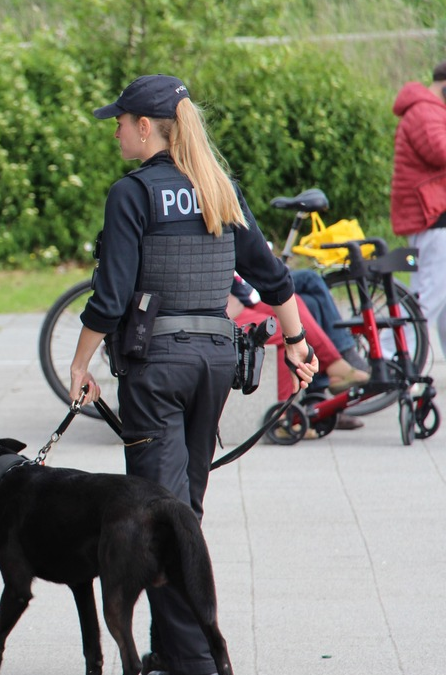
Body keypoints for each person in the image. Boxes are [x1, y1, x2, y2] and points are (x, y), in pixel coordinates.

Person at [67, 74, 318, 675]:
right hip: (213, 364)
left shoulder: (132, 194)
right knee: (184, 514)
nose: (118, 131)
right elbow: (272, 275)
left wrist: (80, 362)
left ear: (147, 127)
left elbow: (111, 294)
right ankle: (179, 650)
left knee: (158, 516)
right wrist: (297, 343)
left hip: (157, 368)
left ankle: (195, 663)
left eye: (122, 122)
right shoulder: (216, 187)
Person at [228, 275, 369, 432]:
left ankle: (328, 374)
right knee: (285, 329)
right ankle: (287, 413)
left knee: (293, 302)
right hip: (228, 310)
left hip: (242, 298)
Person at [392, 60, 446, 357]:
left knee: (437, 295)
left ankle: (394, 354)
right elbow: (441, 151)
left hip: (432, 214)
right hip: (432, 217)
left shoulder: (428, 109)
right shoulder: (425, 111)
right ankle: (392, 356)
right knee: (427, 296)